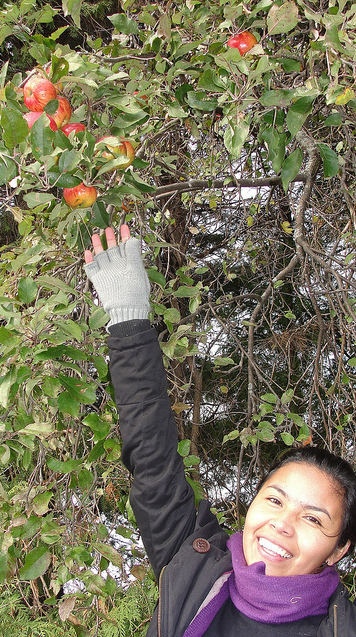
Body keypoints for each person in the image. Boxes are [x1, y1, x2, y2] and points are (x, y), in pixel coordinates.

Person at [84, 225, 356, 637]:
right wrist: (128, 321)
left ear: (338, 551)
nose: (282, 524)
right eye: (275, 499)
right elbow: (152, 460)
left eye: (314, 520)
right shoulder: (193, 565)